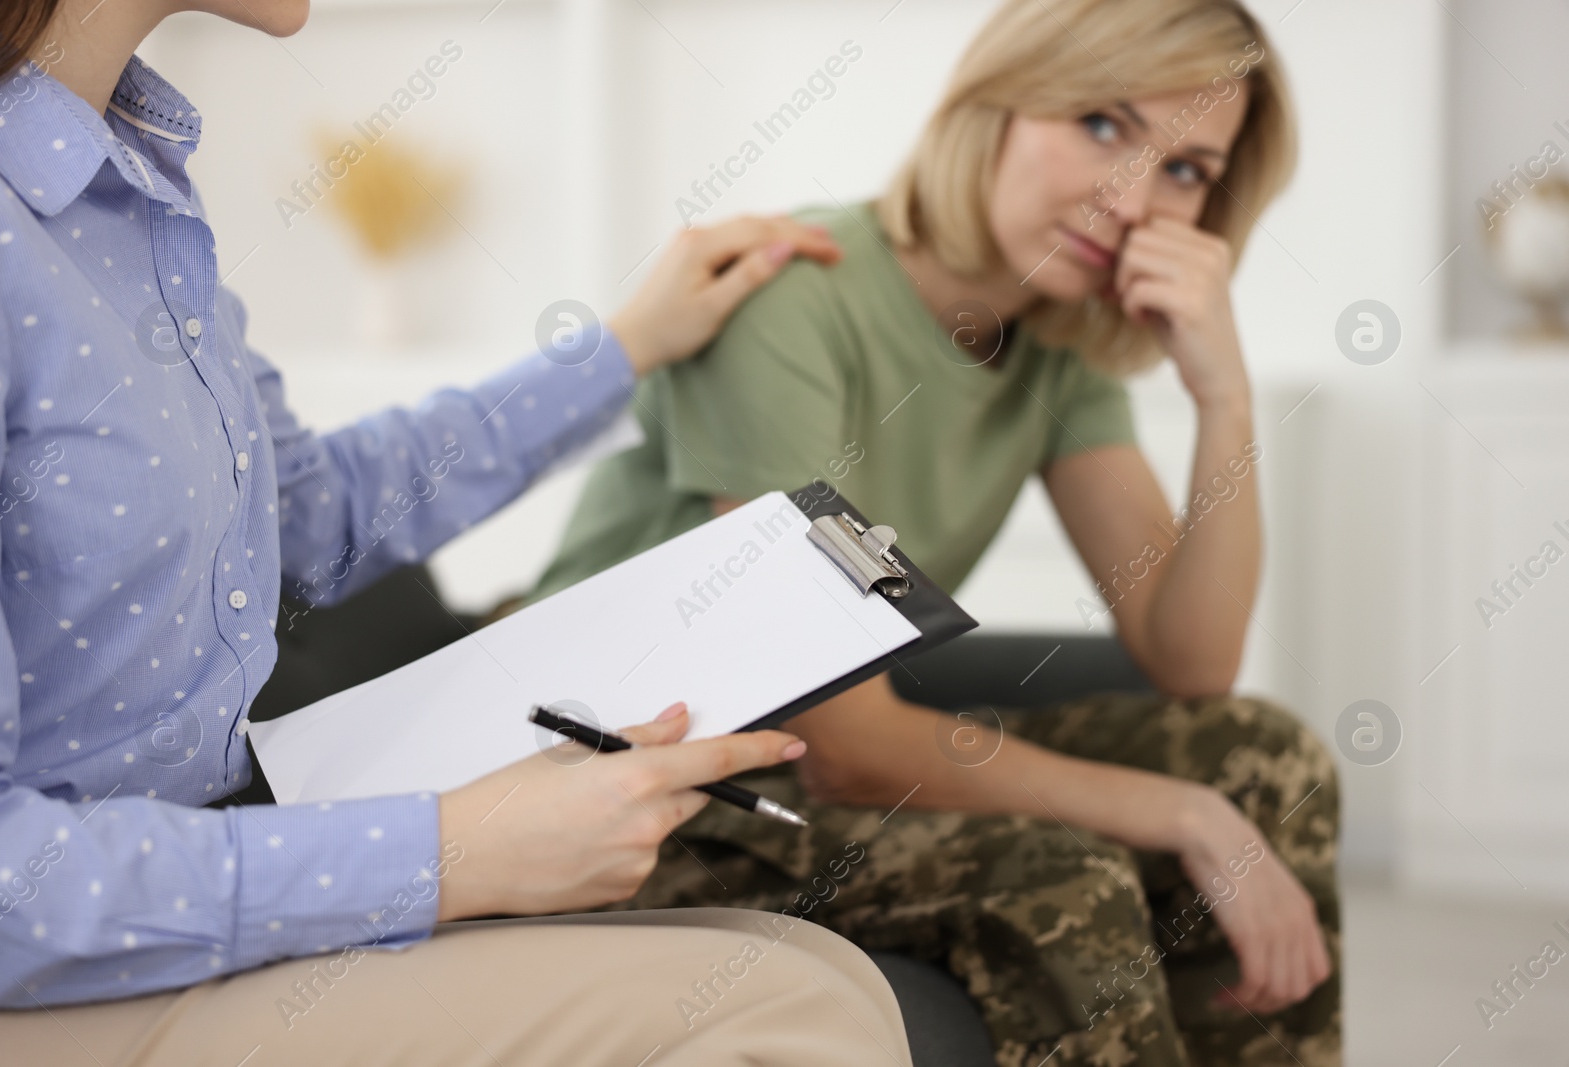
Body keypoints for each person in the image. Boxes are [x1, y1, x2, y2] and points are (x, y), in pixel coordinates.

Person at [0, 1, 920, 1064]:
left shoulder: (131, 187)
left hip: (161, 895)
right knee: (782, 1011)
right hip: (19, 978)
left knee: (822, 971)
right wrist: (448, 852)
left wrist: (622, 349)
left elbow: (310, 506)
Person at [527, 1, 1340, 1064]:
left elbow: (1191, 660)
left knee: (1268, 760)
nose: (1132, 199)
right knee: (1065, 868)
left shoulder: (1060, 334)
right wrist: (1182, 812)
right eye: (1103, 122)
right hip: (633, 771)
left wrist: (1223, 397)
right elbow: (850, 743)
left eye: (1185, 169)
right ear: (993, 102)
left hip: (791, 751)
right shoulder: (793, 300)